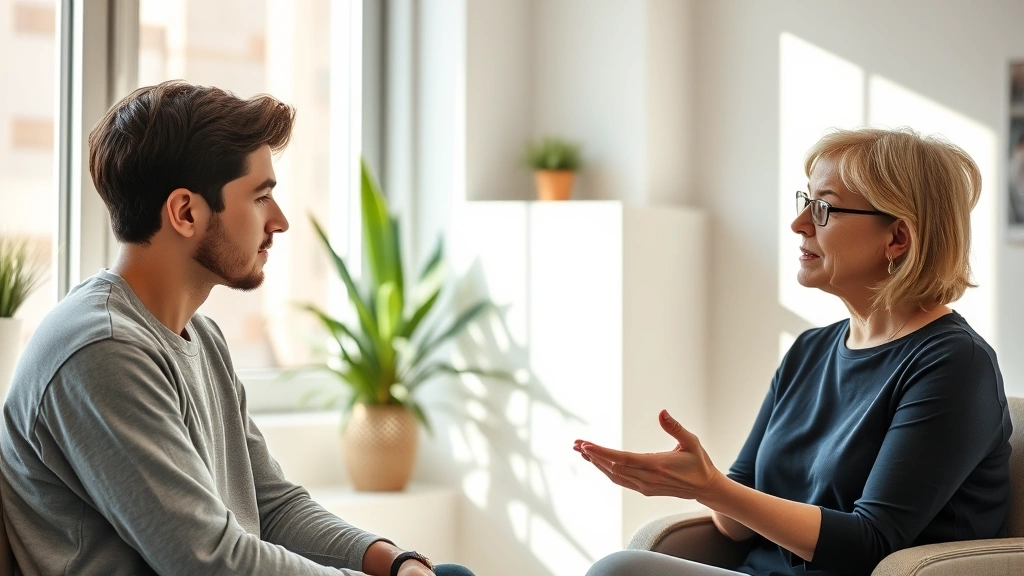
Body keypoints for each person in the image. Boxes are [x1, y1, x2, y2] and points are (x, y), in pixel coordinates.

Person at [0, 80, 474, 576]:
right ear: (186, 212)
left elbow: (273, 508)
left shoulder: (201, 338)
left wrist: (396, 563)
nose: (281, 221)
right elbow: (207, 562)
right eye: (260, 197)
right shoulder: (102, 350)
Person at [576, 127, 1012, 576]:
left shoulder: (954, 364)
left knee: (620, 570)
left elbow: (871, 542)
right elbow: (735, 529)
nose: (799, 223)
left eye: (823, 208)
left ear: (897, 238)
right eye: (805, 201)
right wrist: (699, 484)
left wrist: (714, 487)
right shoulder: (809, 350)